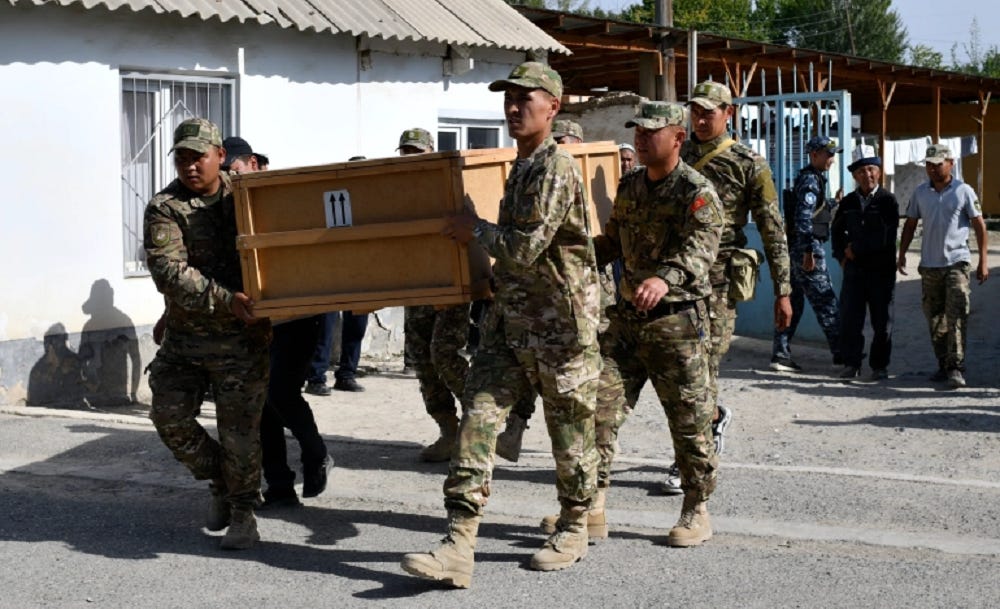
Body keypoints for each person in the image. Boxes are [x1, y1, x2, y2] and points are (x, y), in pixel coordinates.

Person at [401, 61, 601, 586]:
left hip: (560, 329)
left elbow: (524, 248)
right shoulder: (522, 166)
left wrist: (473, 229)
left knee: (570, 434)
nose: (514, 106)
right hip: (509, 327)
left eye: (525, 98)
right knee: (477, 425)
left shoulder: (555, 168)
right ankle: (458, 545)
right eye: (508, 98)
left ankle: (575, 524)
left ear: (553, 107)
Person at [591, 101, 724, 547]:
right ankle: (592, 506)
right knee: (598, 411)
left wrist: (663, 279)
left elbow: (699, 251)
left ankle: (696, 509)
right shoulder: (630, 187)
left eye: (651, 132)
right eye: (638, 131)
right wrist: (570, 259)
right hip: (626, 321)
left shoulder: (696, 191)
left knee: (689, 421)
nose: (641, 139)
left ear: (678, 138)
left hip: (676, 324)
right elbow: (612, 242)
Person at [654, 80, 792, 495]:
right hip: (673, 278)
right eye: (694, 111)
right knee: (679, 372)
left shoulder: (748, 163)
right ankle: (710, 419)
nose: (699, 119)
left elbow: (772, 227)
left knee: (703, 370)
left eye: (708, 112)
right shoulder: (678, 152)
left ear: (728, 114)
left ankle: (690, 462)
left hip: (716, 283)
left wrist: (784, 289)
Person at [143, 118, 270, 550]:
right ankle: (219, 479)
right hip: (186, 340)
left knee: (240, 433)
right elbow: (169, 272)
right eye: (181, 158)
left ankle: (243, 513)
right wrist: (225, 299)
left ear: (220, 156)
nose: (190, 166)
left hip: (242, 342)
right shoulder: (165, 207)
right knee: (169, 418)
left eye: (198, 157)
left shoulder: (248, 195)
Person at [398, 128, 472, 462]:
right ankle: (448, 430)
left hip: (450, 283)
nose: (411, 159)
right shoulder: (394, 193)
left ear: (430, 151)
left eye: (417, 152)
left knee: (444, 353)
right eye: (406, 153)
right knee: (424, 362)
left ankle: (479, 423)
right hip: (416, 288)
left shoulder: (449, 185)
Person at [897, 143, 989, 389]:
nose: (933, 169)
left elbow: (980, 226)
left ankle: (956, 367)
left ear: (951, 163)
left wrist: (983, 261)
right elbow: (910, 224)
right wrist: (902, 253)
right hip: (929, 265)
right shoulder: (920, 193)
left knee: (957, 313)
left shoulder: (963, 191)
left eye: (938, 164)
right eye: (929, 165)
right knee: (934, 317)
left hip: (956, 263)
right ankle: (943, 363)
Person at [771, 135, 842, 372]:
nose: (831, 159)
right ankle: (843, 355)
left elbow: (814, 211)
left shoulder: (811, 178)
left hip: (797, 249)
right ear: (814, 155)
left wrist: (831, 203)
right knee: (827, 303)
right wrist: (809, 251)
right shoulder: (811, 180)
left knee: (794, 303)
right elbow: (803, 219)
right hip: (807, 250)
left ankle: (780, 353)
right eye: (828, 154)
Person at [831, 155, 899, 381]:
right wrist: (842, 256)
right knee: (850, 319)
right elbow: (836, 231)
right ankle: (852, 363)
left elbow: (886, 237)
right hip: (855, 272)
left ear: (878, 172)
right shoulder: (849, 202)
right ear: (854, 176)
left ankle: (879, 366)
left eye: (871, 170)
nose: (866, 175)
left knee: (882, 321)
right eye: (861, 171)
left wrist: (856, 249)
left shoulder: (888, 201)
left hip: (881, 271)